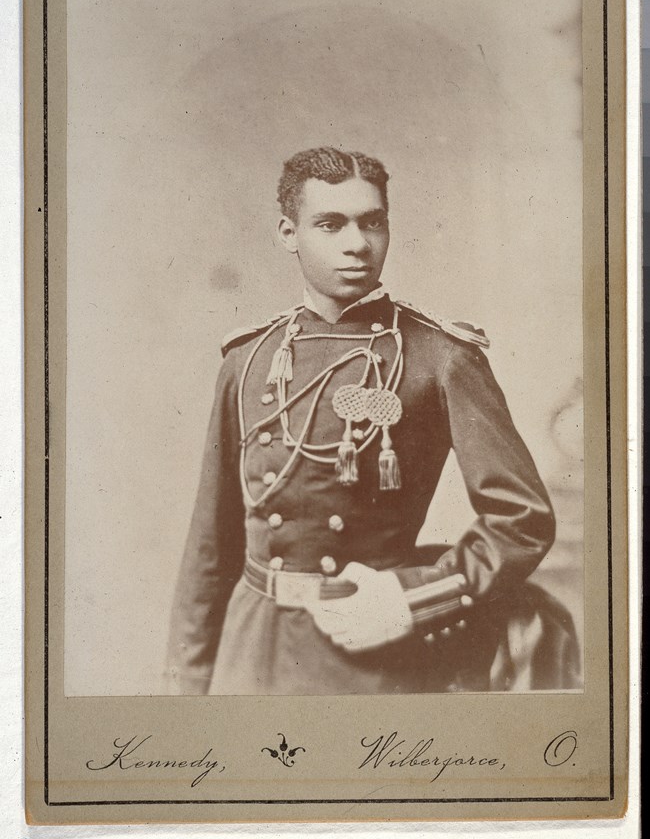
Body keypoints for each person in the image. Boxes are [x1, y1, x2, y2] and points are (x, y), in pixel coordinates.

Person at [166, 146, 579, 696]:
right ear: (290, 233)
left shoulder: (440, 357)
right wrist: (187, 684)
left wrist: (412, 598)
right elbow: (210, 546)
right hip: (250, 651)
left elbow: (521, 520)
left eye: (372, 222)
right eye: (330, 224)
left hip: (369, 649)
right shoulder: (247, 360)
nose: (357, 243)